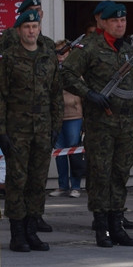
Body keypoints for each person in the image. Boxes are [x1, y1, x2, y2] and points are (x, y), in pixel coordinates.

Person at [61, 1, 133, 247]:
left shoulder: (131, 51)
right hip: (101, 124)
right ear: (103, 23)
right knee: (101, 174)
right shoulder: (89, 47)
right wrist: (88, 93)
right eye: (114, 21)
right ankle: (102, 227)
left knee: (121, 173)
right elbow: (65, 74)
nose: (120, 24)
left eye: (123, 21)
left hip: (126, 125)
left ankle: (117, 224)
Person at [0, 9, 63, 252]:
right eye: (27, 27)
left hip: (43, 128)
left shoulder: (48, 56)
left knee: (37, 181)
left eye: (35, 27)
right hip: (17, 128)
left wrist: (57, 125)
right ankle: (17, 234)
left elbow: (56, 94)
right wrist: (1, 130)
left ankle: (32, 230)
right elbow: (0, 96)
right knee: (17, 181)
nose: (32, 31)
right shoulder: (8, 57)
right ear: (19, 30)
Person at [50, 42, 85, 198]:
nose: (61, 55)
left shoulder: (75, 70)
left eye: (64, 52)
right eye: (58, 52)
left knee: (74, 150)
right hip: (57, 116)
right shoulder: (52, 70)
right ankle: (62, 185)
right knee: (60, 153)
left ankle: (76, 186)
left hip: (73, 116)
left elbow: (83, 90)